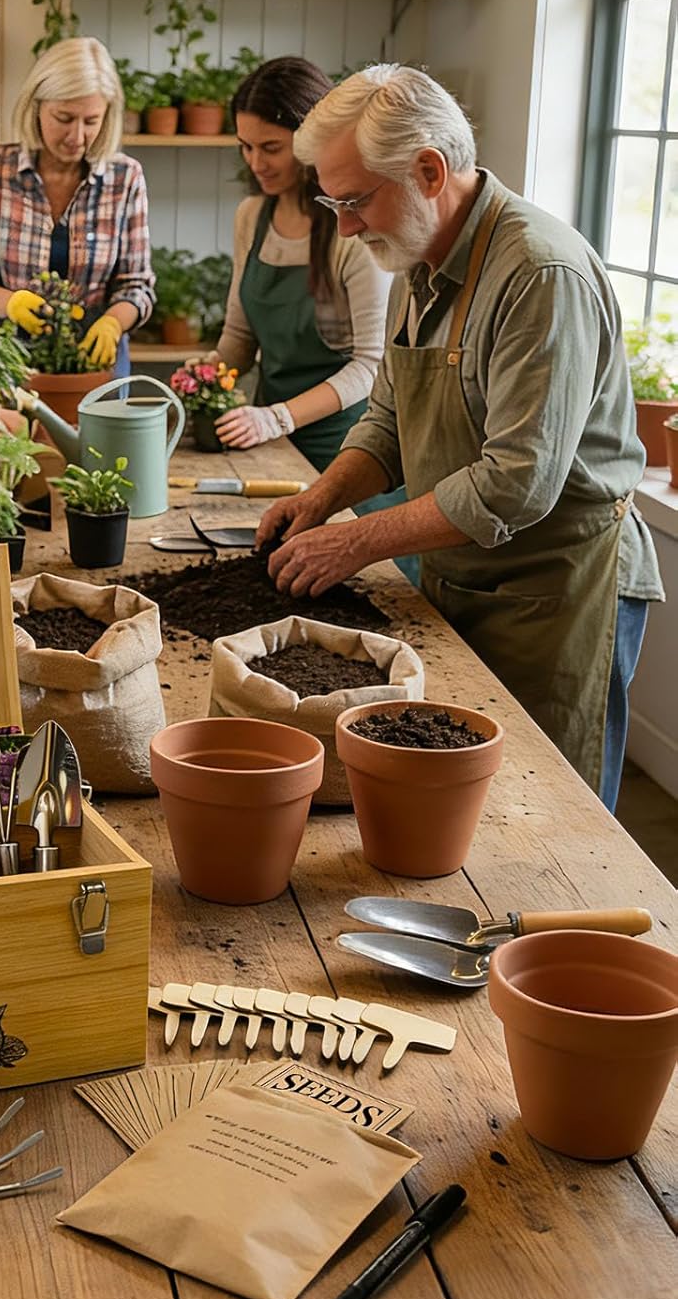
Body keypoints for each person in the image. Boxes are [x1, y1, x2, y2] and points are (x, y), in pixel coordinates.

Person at [258, 64, 662, 811]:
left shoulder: (539, 273)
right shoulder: (417, 254)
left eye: (355, 201)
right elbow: (388, 421)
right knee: (464, 809)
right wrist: (322, 499)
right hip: (462, 572)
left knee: (548, 815)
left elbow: (516, 483)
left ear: (429, 171)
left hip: (554, 591)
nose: (345, 227)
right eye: (333, 204)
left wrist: (355, 541)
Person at [216, 57, 392, 474]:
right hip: (270, 448)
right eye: (245, 146)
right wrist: (205, 376)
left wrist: (278, 417)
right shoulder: (251, 217)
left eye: (271, 148)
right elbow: (240, 336)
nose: (255, 163)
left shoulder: (353, 228)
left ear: (313, 138)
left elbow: (371, 364)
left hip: (346, 448)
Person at [0, 36, 155, 376]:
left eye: (91, 121)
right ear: (36, 106)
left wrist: (113, 323)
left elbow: (137, 286)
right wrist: (9, 302)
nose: (77, 136)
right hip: (7, 361)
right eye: (64, 117)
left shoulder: (124, 178)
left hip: (95, 362)